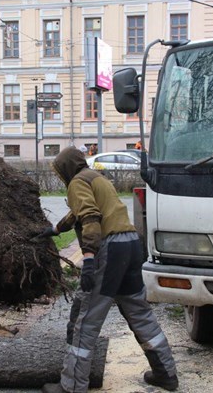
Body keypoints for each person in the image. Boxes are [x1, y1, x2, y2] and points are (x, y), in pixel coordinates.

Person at [35, 146, 179, 393]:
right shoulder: (96, 177)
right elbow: (78, 213)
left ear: (66, 168)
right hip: (131, 246)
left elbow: (90, 217)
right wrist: (56, 230)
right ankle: (166, 374)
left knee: (84, 319)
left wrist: (89, 259)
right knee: (140, 313)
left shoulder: (77, 182)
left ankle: (71, 386)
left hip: (109, 250)